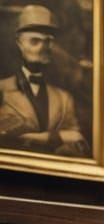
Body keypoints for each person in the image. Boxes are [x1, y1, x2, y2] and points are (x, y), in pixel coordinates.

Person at [0, 6, 87, 156]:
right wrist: (56, 137)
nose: (43, 47)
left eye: (48, 41)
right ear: (19, 44)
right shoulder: (2, 90)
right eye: (35, 41)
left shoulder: (64, 98)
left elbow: (78, 143)